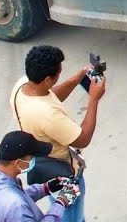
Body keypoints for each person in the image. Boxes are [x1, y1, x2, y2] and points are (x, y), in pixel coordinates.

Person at [10, 46, 106, 222]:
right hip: (64, 177)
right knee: (70, 217)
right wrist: (93, 99)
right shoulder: (48, 116)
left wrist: (76, 79)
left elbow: (49, 95)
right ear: (47, 79)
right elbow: (83, 139)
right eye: (58, 74)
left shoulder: (22, 86)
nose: (60, 75)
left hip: (45, 168)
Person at [0, 130, 77, 222]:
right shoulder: (15, 205)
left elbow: (19, 199)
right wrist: (61, 203)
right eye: (32, 157)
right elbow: (17, 205)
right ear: (18, 163)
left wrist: (45, 188)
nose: (34, 160)